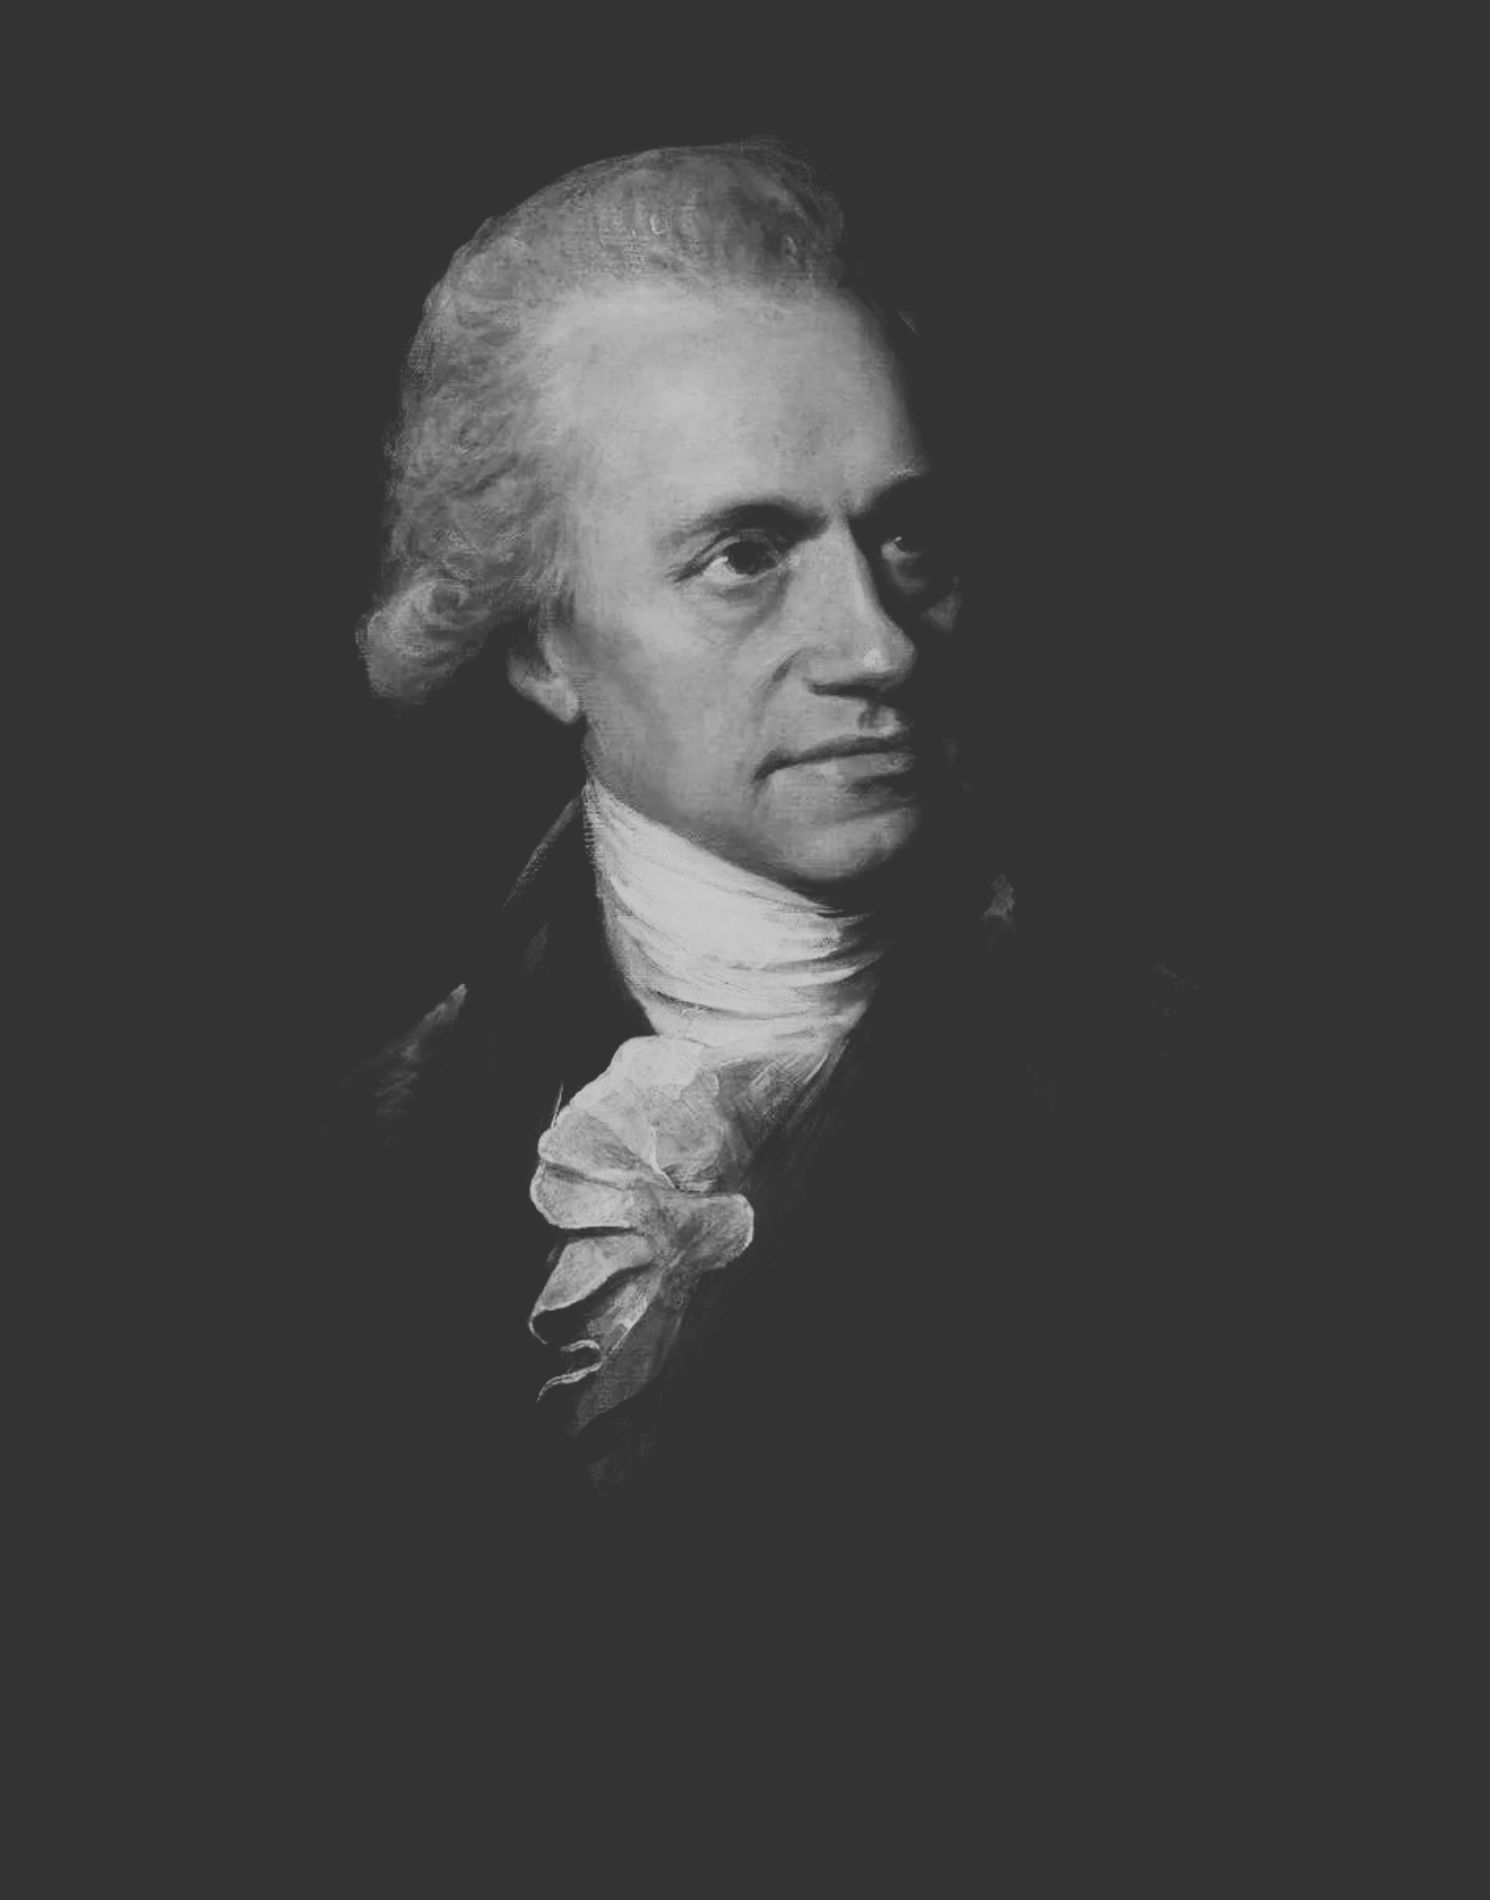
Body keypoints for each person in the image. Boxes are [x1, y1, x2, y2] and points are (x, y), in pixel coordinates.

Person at [306, 139, 1271, 1642]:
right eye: (746, 555)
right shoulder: (359, 1152)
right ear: (541, 643)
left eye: (906, 538)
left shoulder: (1212, 1116)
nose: (879, 646)